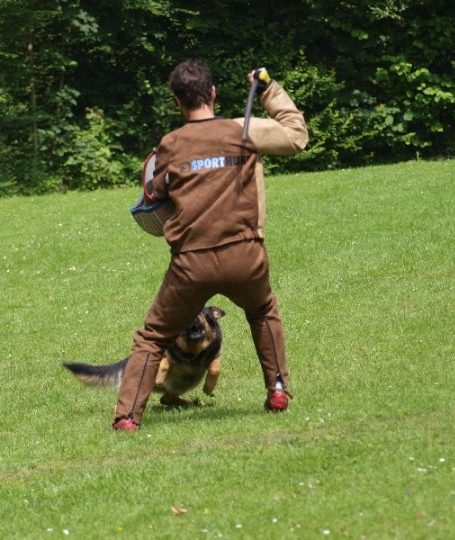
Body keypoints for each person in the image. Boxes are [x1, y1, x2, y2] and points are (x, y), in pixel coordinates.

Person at [113, 60, 308, 431]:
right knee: (263, 312)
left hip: (191, 264)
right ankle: (278, 389)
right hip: (245, 255)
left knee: (153, 337)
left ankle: (126, 418)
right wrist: (268, 91)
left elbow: (154, 195)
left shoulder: (170, 144)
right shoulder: (243, 130)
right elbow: (297, 136)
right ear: (213, 92)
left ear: (177, 102)